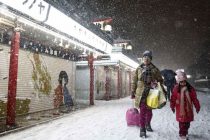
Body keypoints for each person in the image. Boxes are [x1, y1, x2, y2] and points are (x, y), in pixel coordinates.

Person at [131, 50, 165, 138]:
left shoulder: (155, 69)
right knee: (142, 111)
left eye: (148, 57)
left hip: (151, 93)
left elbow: (161, 80)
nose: (146, 59)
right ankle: (142, 129)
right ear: (142, 58)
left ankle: (148, 124)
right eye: (144, 57)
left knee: (149, 111)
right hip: (141, 93)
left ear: (150, 59)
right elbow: (134, 81)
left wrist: (156, 83)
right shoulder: (138, 69)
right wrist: (132, 91)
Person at [170, 70, 200, 140]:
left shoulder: (190, 88)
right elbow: (173, 98)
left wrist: (197, 106)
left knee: (187, 123)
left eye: (184, 81)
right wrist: (172, 106)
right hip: (180, 109)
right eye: (181, 81)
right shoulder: (176, 89)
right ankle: (182, 134)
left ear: (186, 80)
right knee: (182, 123)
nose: (183, 83)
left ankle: (185, 132)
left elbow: (194, 98)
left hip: (188, 109)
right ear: (178, 82)